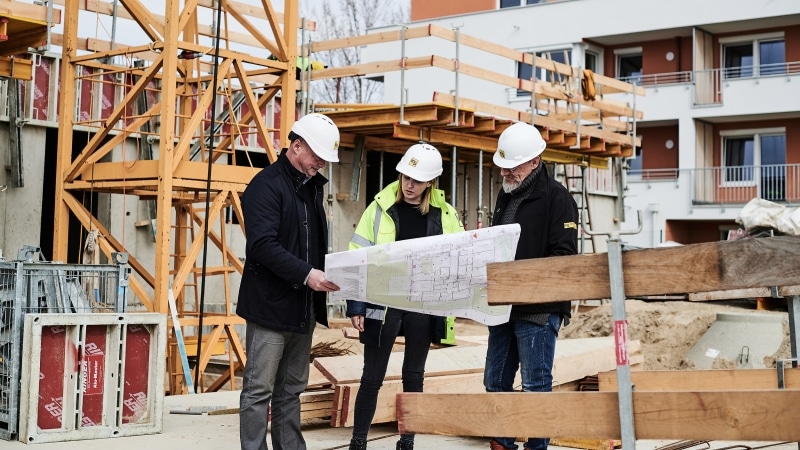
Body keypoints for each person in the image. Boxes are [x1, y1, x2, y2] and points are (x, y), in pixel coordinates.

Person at [345, 144, 463, 450]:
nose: (409, 185)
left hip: (422, 303)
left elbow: (461, 258)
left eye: (417, 180)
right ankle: (358, 442)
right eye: (405, 177)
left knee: (413, 377)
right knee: (372, 376)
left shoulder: (445, 215)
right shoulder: (379, 208)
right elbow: (357, 257)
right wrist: (356, 305)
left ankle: (407, 443)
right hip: (382, 301)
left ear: (430, 182)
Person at [237, 112, 341, 450]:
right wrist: (308, 275)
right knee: (258, 391)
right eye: (317, 156)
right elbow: (262, 245)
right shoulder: (266, 186)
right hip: (269, 309)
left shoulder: (310, 189)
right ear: (296, 146)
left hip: (301, 309)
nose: (321, 164)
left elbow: (310, 245)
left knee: (291, 390)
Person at [485, 122, 578, 450]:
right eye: (502, 166)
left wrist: (524, 279)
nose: (505, 173)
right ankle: (502, 444)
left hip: (539, 310)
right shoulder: (505, 195)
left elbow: (564, 256)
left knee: (536, 386)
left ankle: (536, 448)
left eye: (512, 167)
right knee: (495, 381)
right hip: (503, 307)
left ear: (535, 161)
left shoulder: (558, 199)